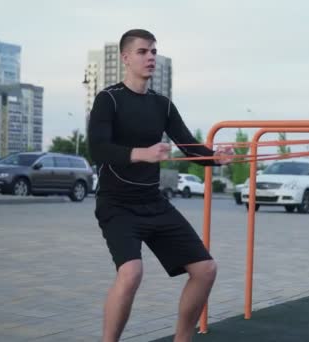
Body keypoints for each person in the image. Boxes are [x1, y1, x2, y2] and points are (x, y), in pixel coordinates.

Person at [87, 29, 233, 342]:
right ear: (126, 58)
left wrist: (216, 158)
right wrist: (142, 153)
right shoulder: (108, 99)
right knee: (131, 274)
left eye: (153, 51)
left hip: (153, 202)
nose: (150, 57)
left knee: (205, 269)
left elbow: (190, 146)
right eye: (142, 51)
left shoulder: (162, 105)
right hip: (116, 204)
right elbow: (98, 150)